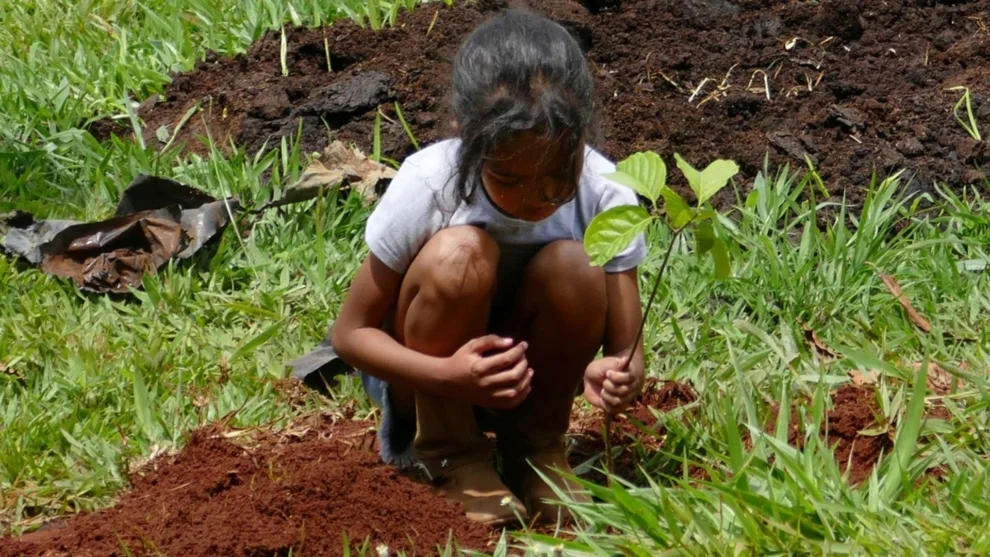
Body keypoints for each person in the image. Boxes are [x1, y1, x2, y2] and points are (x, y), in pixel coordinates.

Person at [331, 9, 647, 527]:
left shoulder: (606, 190)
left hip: (530, 381)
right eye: (511, 179)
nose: (535, 199)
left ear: (581, 139)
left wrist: (616, 374)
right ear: (469, 139)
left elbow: (627, 354)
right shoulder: (432, 183)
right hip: (429, 375)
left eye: (554, 177)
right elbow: (349, 334)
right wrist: (448, 375)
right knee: (461, 254)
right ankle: (451, 453)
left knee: (576, 263)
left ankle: (538, 451)